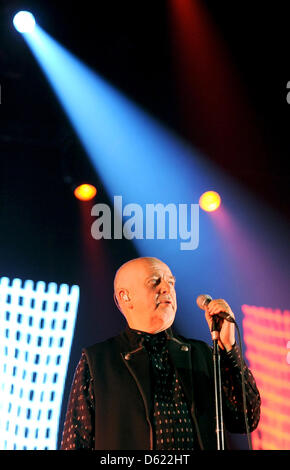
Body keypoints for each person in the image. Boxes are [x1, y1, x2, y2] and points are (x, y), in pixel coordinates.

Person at [61, 257, 260, 450]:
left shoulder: (201, 354)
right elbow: (75, 443)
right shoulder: (98, 361)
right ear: (125, 296)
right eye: (154, 281)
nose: (167, 288)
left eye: (170, 282)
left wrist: (228, 348)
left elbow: (245, 419)